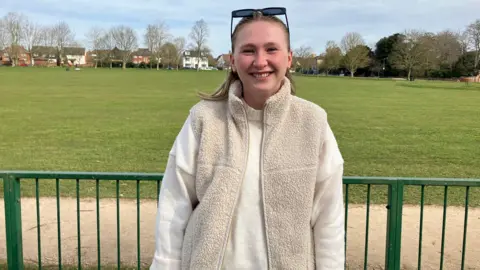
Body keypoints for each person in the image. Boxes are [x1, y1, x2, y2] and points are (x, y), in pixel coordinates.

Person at [150, 7, 345, 270]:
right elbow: (174, 207)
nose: (260, 61)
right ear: (232, 59)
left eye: (271, 49)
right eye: (249, 50)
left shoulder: (313, 122)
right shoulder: (203, 119)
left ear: (289, 58)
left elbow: (328, 218)